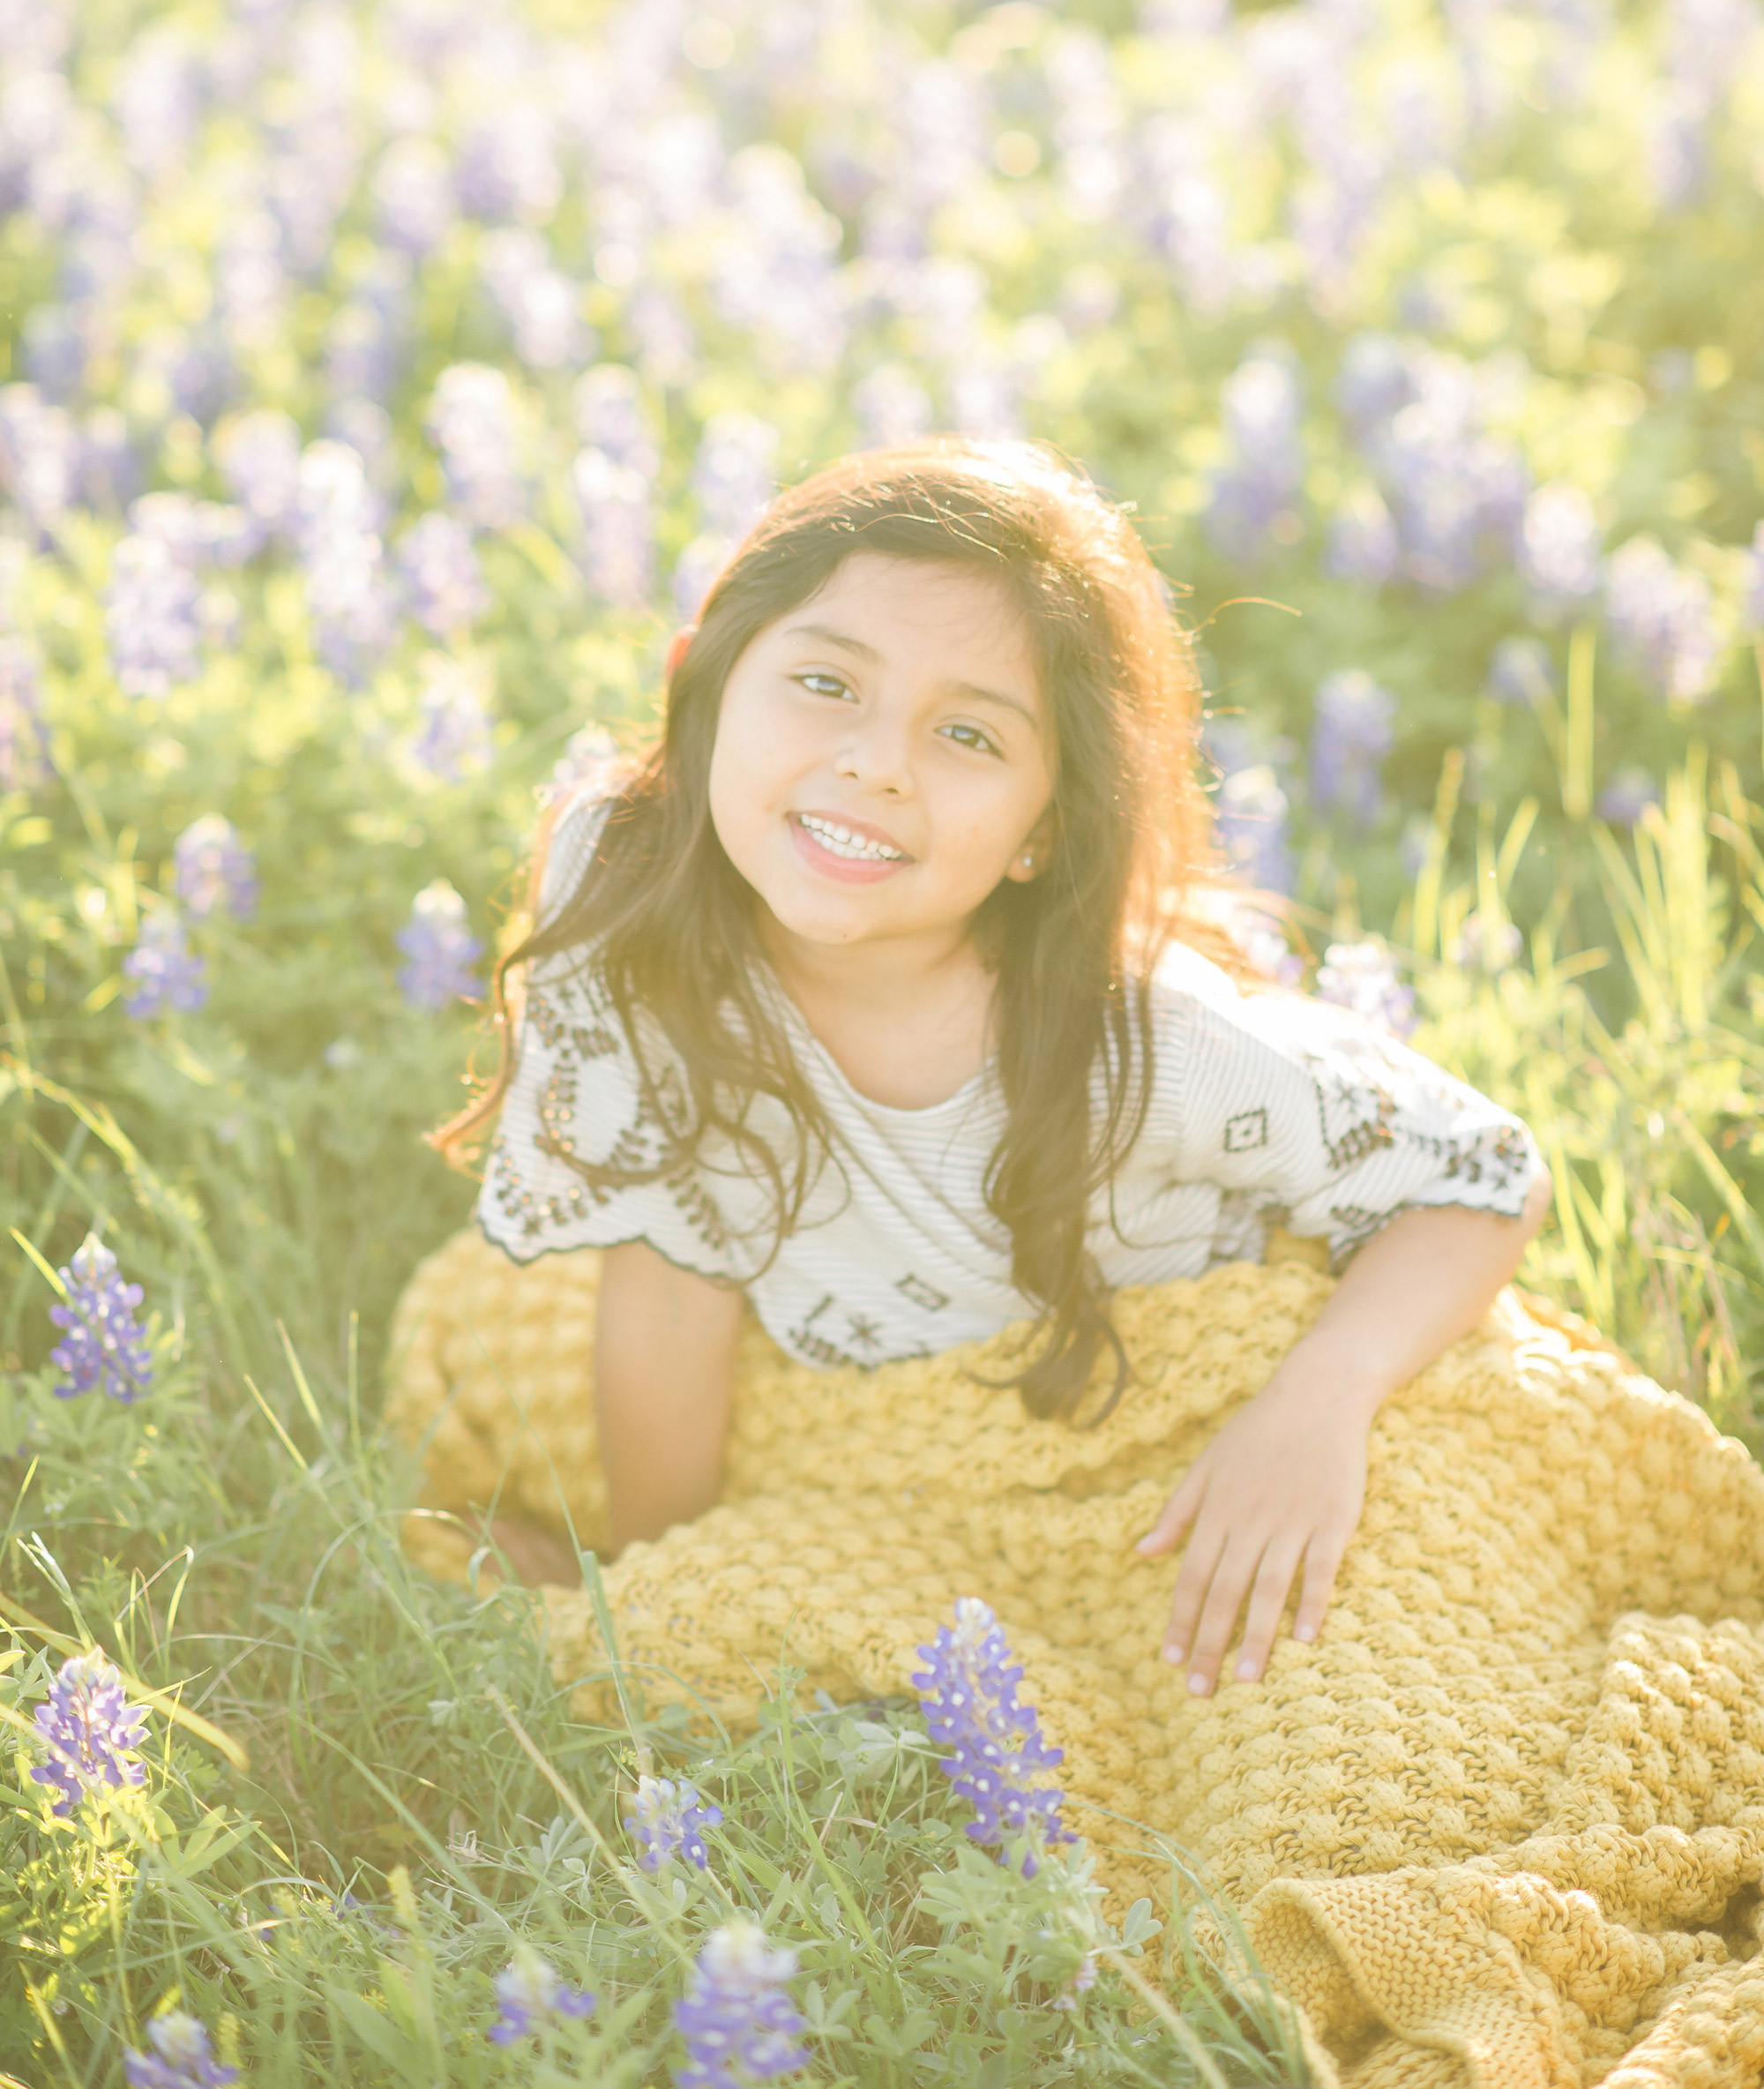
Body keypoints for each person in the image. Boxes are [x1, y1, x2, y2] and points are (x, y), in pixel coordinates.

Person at [437, 446, 1547, 1687]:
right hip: (871, 1413)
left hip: (1172, 1425)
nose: (878, 761)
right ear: (699, 684)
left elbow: (1483, 1171)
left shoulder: (1149, 1044)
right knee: (486, 1381)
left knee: (1306, 1699)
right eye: (824, 680)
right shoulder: (627, 874)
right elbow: (671, 1255)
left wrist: (1316, 1404)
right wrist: (646, 1592)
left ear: (1045, 828)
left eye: (968, 731)